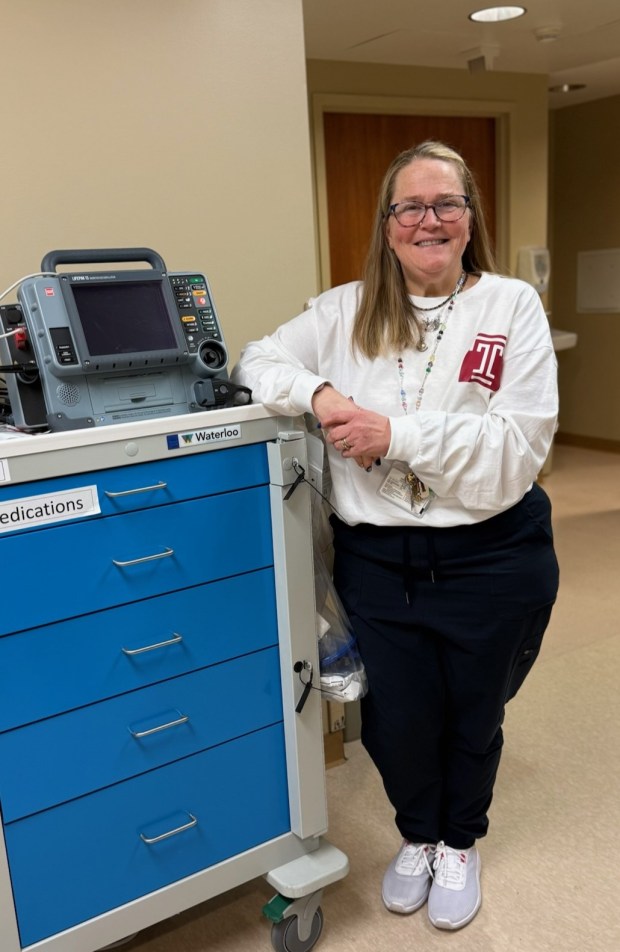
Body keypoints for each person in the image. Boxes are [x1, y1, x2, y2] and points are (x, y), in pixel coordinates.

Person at [231, 140, 559, 931]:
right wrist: (319, 391)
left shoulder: (510, 307)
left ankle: (459, 839)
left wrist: (394, 435)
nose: (429, 220)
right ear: (387, 225)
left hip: (492, 554)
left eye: (446, 204)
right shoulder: (342, 311)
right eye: (410, 206)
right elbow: (255, 359)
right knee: (396, 719)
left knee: (474, 711)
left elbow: (516, 450)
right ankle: (418, 833)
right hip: (380, 561)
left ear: (470, 218)